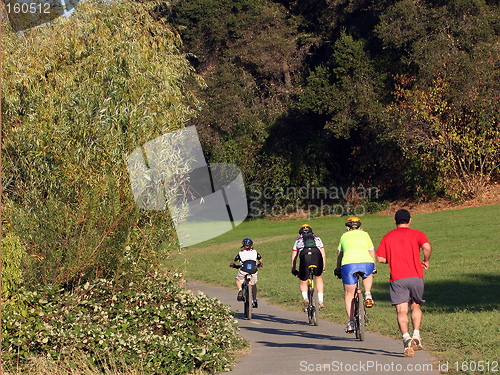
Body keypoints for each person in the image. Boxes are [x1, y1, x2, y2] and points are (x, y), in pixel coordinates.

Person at [376, 209, 432, 357]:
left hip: (397, 278)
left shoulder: (388, 237)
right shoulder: (417, 234)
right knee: (416, 305)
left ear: (395, 221)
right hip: (416, 275)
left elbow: (380, 258)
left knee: (401, 310)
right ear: (410, 220)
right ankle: (416, 335)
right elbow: (427, 247)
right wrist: (425, 260)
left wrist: (393, 259)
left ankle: (406, 337)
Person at [334, 216, 376, 334]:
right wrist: (374, 267)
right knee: (368, 273)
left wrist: (338, 269)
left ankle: (351, 322)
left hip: (349, 264)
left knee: (349, 294)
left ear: (348, 227)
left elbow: (339, 255)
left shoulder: (344, 236)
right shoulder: (365, 235)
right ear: (359, 226)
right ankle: (367, 294)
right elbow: (371, 252)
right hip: (366, 262)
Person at [291, 223, 326, 311]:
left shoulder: (298, 240)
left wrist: (293, 268)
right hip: (317, 257)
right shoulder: (317, 238)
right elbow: (323, 254)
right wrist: (323, 266)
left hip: (305, 258)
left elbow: (294, 257)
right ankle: (321, 301)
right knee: (318, 277)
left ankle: (305, 298)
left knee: (303, 281)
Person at [230, 238, 263, 308]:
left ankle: (240, 290)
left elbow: (235, 260)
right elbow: (259, 258)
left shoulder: (241, 253)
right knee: (253, 284)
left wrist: (232, 264)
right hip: (253, 270)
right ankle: (254, 300)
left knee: (238, 280)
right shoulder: (254, 252)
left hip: (244, 270)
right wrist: (261, 264)